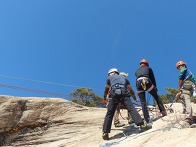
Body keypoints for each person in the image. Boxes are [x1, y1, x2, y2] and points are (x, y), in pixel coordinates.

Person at [102, 68, 152, 140]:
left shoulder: (110, 78)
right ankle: (142, 125)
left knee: (110, 112)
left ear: (111, 73)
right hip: (124, 92)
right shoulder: (123, 78)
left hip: (114, 93)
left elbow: (106, 89)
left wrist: (104, 99)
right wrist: (134, 98)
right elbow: (130, 89)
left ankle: (105, 133)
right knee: (131, 108)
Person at [135, 59, 167, 123]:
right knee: (156, 97)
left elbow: (138, 77)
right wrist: (155, 87)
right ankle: (163, 111)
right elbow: (152, 78)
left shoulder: (137, 71)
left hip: (138, 84)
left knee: (143, 102)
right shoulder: (148, 68)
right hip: (146, 81)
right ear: (146, 64)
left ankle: (146, 118)